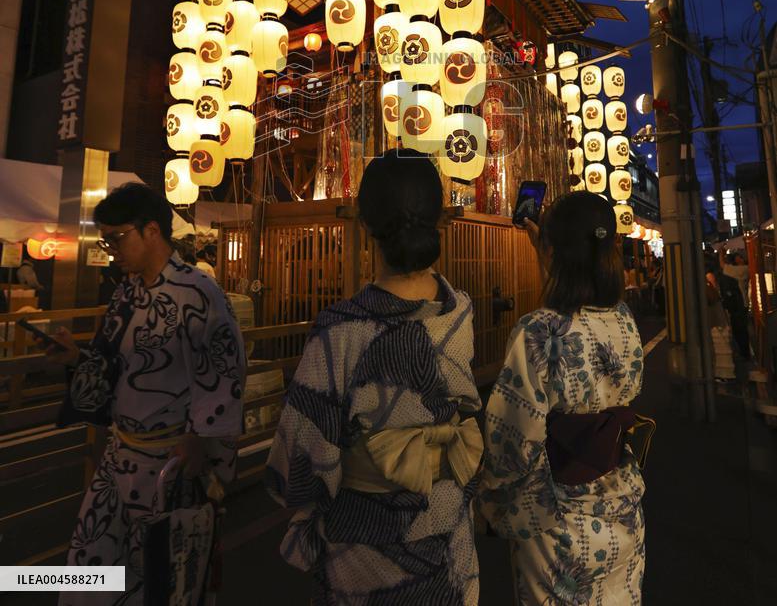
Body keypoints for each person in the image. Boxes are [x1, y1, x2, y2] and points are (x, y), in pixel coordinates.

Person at [265, 149, 483, 605]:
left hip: (368, 563)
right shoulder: (459, 311)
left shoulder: (341, 329)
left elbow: (298, 465)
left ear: (365, 227)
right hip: (451, 553)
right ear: (440, 222)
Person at [43, 182, 246, 605]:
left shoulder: (198, 293)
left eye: (117, 238)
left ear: (151, 231)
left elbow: (224, 374)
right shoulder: (126, 292)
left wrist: (199, 439)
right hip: (120, 457)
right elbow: (112, 363)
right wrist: (76, 357)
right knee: (90, 561)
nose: (112, 249)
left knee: (160, 575)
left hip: (170, 464)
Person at [477, 192, 645, 606]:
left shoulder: (537, 331)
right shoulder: (624, 320)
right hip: (623, 508)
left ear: (554, 251)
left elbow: (510, 439)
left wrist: (491, 507)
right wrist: (548, 249)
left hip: (561, 522)